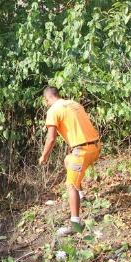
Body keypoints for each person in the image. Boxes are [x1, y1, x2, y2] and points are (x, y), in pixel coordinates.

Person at [39, 86, 101, 236]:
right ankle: (81, 196)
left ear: (47, 99)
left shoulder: (53, 110)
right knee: (68, 160)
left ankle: (75, 224)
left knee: (70, 185)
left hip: (82, 151)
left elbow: (51, 138)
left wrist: (44, 156)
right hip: (96, 146)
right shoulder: (74, 104)